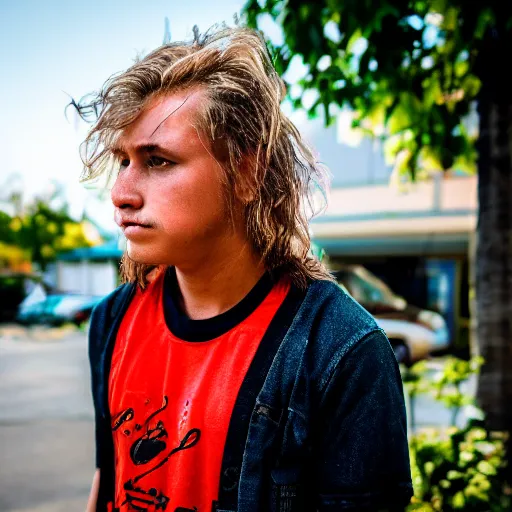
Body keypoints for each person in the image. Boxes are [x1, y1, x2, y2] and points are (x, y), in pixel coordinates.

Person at [80, 25, 412, 512]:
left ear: (246, 172)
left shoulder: (343, 353)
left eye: (158, 160)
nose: (121, 192)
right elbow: (107, 479)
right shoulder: (112, 323)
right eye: (123, 160)